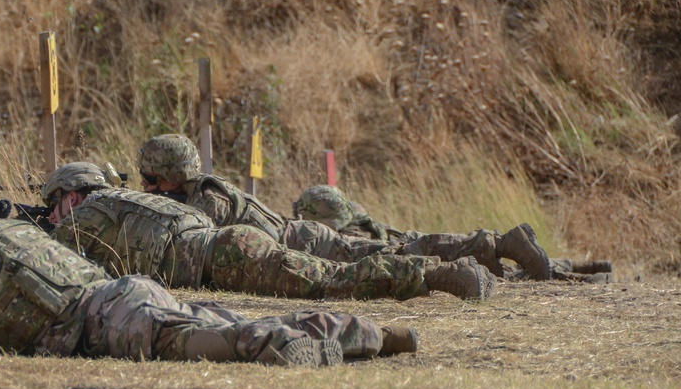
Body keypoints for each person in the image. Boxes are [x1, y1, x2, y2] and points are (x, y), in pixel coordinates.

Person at [0, 168, 421, 367]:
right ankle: (365, 334)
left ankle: (290, 348)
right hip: (124, 293)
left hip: (104, 321)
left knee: (208, 339)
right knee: (216, 316)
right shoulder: (8, 230)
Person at [43, 162, 495, 302]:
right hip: (229, 244)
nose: (56, 216)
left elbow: (65, 272)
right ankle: (440, 268)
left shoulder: (85, 221)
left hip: (225, 256)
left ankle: (436, 275)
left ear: (73, 197)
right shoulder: (123, 202)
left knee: (328, 282)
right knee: (327, 270)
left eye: (55, 206)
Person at [135, 134, 554, 281]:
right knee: (394, 250)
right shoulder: (203, 192)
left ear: (169, 176)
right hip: (302, 240)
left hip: (305, 242)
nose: (145, 187)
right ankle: (490, 245)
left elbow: (189, 239)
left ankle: (490, 244)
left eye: (150, 180)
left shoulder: (209, 199)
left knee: (396, 252)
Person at [294, 185, 613, 283]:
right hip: (414, 237)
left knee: (495, 267)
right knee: (515, 267)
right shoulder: (360, 217)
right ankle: (579, 271)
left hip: (413, 248)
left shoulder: (343, 236)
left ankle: (573, 272)